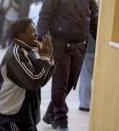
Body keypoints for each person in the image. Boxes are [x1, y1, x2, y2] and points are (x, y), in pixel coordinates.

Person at [37, 0, 98, 130]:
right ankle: (61, 121)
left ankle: (50, 113)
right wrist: (41, 38)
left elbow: (94, 19)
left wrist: (100, 40)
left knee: (70, 83)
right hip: (59, 44)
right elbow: (45, 15)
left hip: (80, 46)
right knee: (60, 83)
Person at [0, 17, 56, 131]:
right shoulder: (16, 54)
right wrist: (44, 58)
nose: (36, 34)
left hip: (25, 116)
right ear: (21, 35)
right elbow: (33, 82)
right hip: (12, 115)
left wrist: (48, 58)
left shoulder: (28, 51)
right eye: (32, 31)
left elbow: (41, 80)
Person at [78, 34, 96, 112]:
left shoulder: (89, 22)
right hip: (98, 50)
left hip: (88, 50)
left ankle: (84, 104)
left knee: (86, 77)